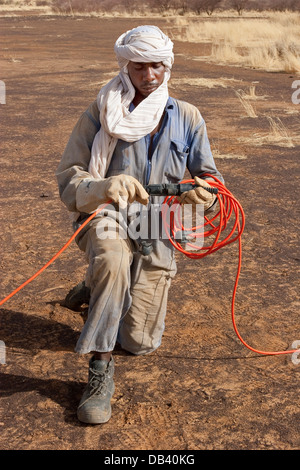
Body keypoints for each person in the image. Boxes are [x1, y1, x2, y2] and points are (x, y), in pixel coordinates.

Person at [56, 25, 224, 425]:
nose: (149, 76)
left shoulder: (187, 116)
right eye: (139, 66)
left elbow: (211, 179)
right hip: (107, 216)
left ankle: (93, 288)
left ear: (167, 67)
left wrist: (206, 195)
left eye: (157, 66)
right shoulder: (101, 109)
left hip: (160, 223)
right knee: (113, 262)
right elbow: (69, 178)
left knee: (140, 343)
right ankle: (99, 371)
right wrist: (103, 186)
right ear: (125, 65)